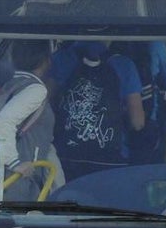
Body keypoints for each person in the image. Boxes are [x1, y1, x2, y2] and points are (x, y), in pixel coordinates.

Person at [50, 41, 146, 181]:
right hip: (109, 160)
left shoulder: (61, 59)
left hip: (67, 158)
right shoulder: (124, 65)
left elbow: (44, 103)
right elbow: (138, 123)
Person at [0, 39, 64, 202]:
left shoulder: (8, 86)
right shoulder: (36, 89)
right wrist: (15, 163)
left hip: (1, 175)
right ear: (46, 60)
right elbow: (4, 121)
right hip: (20, 179)